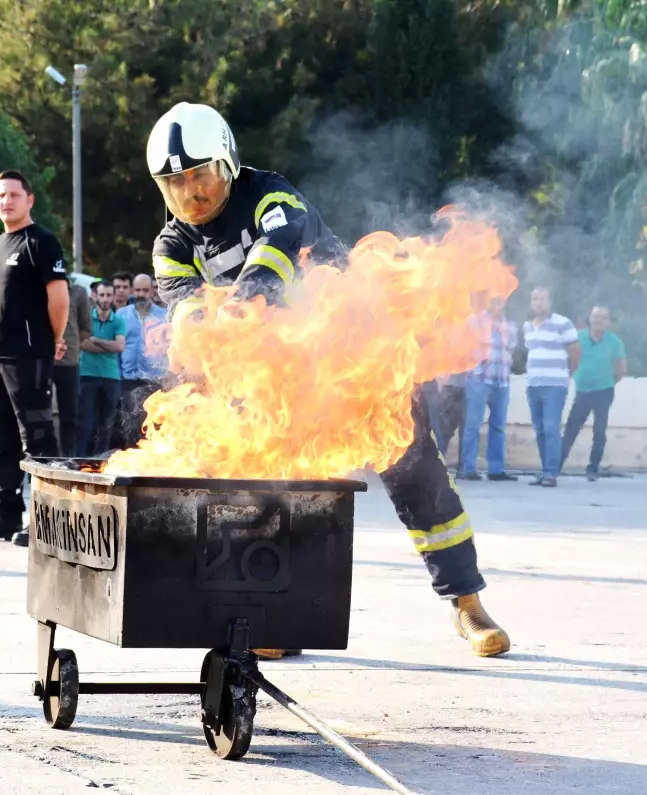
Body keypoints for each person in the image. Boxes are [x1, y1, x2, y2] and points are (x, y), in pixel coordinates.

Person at [146, 101, 509, 658]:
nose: (191, 195)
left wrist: (239, 312)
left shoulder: (271, 197)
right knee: (269, 490)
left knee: (418, 474)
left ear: (228, 163)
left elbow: (274, 255)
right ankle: (278, 619)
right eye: (176, 185)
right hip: (279, 381)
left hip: (357, 355)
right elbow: (186, 314)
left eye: (200, 177)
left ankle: (468, 603)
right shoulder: (172, 246)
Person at [0, 170, 68, 546]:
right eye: (0, 195)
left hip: (28, 356)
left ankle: (50, 522)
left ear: (29, 200)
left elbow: (58, 299)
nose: (6, 201)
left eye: (13, 195)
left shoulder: (42, 242)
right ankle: (6, 514)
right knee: (3, 438)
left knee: (37, 438)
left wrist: (50, 340)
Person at [521, 286, 580, 487]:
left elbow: (575, 353)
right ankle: (545, 470)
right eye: (534, 299)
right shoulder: (527, 326)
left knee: (551, 428)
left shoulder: (563, 323)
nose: (538, 302)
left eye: (542, 299)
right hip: (533, 384)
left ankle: (551, 473)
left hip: (555, 385)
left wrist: (567, 375)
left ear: (550, 301)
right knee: (540, 430)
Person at [560, 304, 627, 481]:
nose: (598, 320)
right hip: (582, 391)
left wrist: (610, 382)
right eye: (595, 316)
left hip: (604, 391)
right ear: (590, 318)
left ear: (609, 322)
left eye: (603, 317)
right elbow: (567, 359)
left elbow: (621, 369)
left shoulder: (614, 342)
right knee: (571, 428)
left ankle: (592, 468)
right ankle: (556, 465)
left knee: (599, 430)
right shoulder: (578, 337)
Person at [458, 296, 517, 481]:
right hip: (479, 379)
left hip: (501, 381)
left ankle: (496, 469)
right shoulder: (474, 321)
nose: (496, 304)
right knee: (473, 425)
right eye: (493, 299)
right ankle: (468, 468)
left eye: (499, 300)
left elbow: (511, 350)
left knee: (498, 426)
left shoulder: (510, 325)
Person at [119, 273, 168, 448]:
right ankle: (131, 459)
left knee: (154, 422)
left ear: (152, 291)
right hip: (128, 378)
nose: (141, 293)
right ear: (133, 291)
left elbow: (170, 348)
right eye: (138, 290)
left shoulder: (164, 315)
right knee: (130, 423)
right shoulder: (122, 315)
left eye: (145, 290)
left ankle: (152, 460)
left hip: (154, 379)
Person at [79, 281, 127, 455]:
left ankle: (100, 462)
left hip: (111, 377)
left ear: (113, 297)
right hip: (86, 374)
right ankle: (80, 460)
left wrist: (97, 340)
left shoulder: (119, 320)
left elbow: (120, 347)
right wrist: (109, 345)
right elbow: (82, 344)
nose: (105, 299)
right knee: (85, 422)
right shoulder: (86, 319)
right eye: (102, 295)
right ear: (95, 296)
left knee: (106, 424)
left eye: (109, 295)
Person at [53, 277, 92, 457]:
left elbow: (86, 327)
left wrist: (70, 342)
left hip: (69, 362)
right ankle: (43, 456)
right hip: (43, 360)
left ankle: (68, 456)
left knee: (69, 415)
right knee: (40, 413)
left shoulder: (78, 293)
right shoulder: (41, 289)